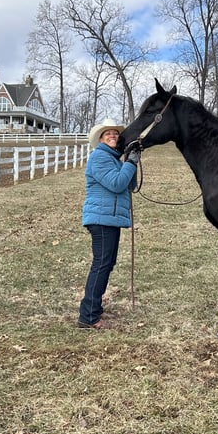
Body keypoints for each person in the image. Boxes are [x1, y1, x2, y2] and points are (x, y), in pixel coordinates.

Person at [78, 118, 140, 329]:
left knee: (106, 263)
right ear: (101, 139)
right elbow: (116, 183)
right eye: (108, 134)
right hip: (101, 219)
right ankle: (88, 317)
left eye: (115, 133)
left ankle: (94, 311)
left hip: (109, 218)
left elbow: (130, 185)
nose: (113, 135)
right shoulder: (99, 157)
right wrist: (130, 162)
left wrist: (132, 160)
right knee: (101, 264)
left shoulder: (115, 159)